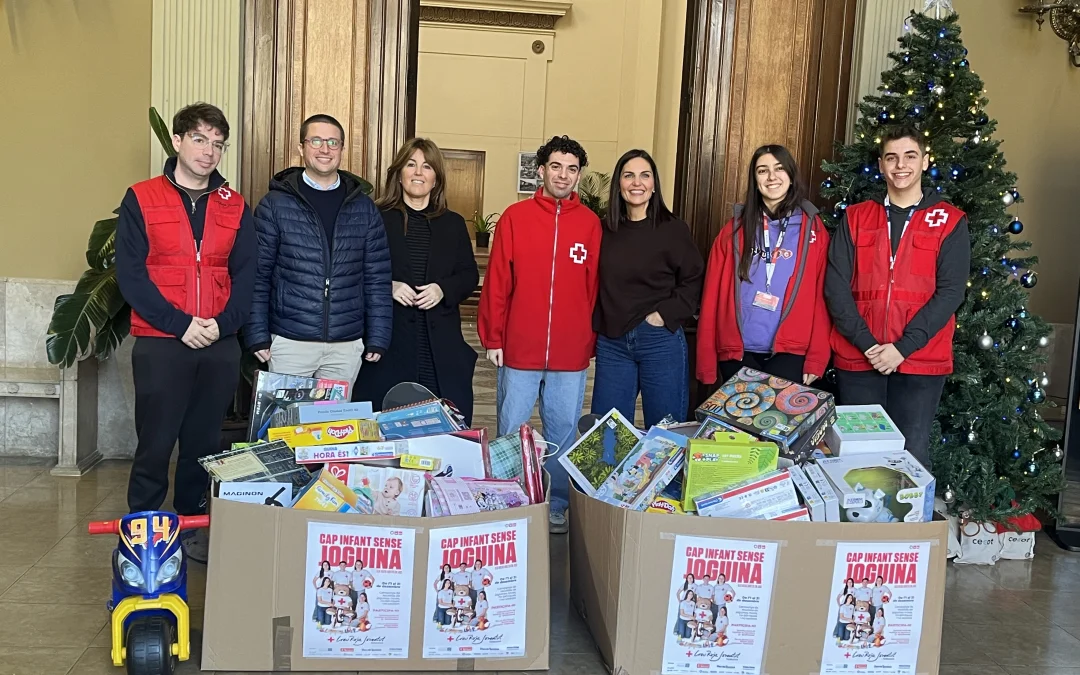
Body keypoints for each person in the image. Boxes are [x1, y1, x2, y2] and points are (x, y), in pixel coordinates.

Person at [115, 102, 257, 563]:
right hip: (162, 343)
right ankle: (142, 530)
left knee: (203, 442)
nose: (208, 151)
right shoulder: (142, 198)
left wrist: (221, 325)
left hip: (217, 343)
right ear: (177, 141)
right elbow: (131, 275)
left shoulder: (235, 205)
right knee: (155, 442)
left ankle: (191, 527)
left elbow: (247, 275)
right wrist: (181, 325)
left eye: (218, 143)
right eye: (199, 139)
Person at [825, 124, 970, 468]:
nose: (900, 165)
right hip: (860, 357)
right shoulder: (856, 217)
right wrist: (868, 345)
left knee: (911, 456)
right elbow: (835, 286)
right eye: (891, 157)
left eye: (910, 156)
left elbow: (950, 293)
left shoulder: (950, 221)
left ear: (925, 161)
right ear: (881, 165)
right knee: (858, 459)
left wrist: (902, 348)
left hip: (921, 359)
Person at [478, 135, 603, 534]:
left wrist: (588, 339)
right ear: (542, 170)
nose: (563, 175)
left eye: (572, 169)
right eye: (556, 167)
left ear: (578, 175)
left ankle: (557, 503)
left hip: (570, 352)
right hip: (519, 348)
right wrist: (493, 337)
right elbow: (498, 280)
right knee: (511, 429)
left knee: (563, 433)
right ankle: (509, 499)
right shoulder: (515, 217)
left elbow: (594, 289)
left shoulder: (590, 224)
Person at [245, 114, 392, 391]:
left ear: (342, 149)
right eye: (316, 141)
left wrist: (379, 335)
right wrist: (256, 333)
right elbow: (258, 275)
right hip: (290, 340)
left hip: (345, 345)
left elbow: (377, 277)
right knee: (285, 418)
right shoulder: (274, 205)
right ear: (301, 147)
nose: (325, 149)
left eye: (333, 142)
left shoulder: (364, 208)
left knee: (334, 419)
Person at [352, 138, 480, 422]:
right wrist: (388, 286)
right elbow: (352, 271)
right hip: (389, 347)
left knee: (441, 430)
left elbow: (469, 274)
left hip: (440, 350)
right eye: (411, 165)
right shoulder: (375, 217)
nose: (418, 172)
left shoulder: (453, 223)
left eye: (427, 166)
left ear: (436, 178)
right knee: (386, 428)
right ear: (399, 174)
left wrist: (442, 289)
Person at [697, 144, 831, 386]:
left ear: (791, 175)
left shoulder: (814, 230)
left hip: (791, 353)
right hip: (738, 352)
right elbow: (711, 297)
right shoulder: (733, 230)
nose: (771, 177)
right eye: (762, 170)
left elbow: (823, 297)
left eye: (779, 168)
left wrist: (817, 358)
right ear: (754, 179)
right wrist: (706, 362)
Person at [591, 149, 704, 426]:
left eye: (645, 175)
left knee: (665, 431)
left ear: (654, 185)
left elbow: (694, 277)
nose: (637, 183)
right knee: (608, 433)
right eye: (629, 175)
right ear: (619, 184)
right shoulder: (603, 230)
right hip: (613, 342)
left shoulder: (673, 229)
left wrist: (664, 315)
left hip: (659, 339)